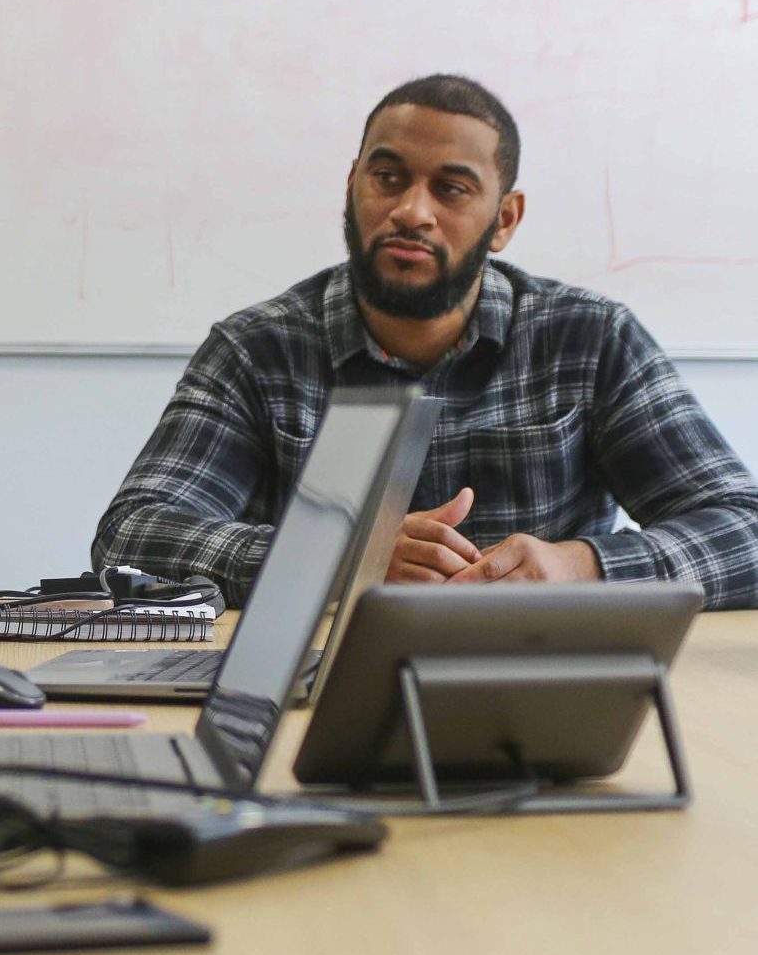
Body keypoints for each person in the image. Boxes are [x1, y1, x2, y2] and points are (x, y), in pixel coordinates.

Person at [93, 73, 758, 610]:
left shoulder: (587, 338)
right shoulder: (257, 348)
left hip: (538, 675)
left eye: (450, 188)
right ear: (351, 185)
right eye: (387, 178)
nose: (411, 210)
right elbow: (133, 533)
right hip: (320, 688)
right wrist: (344, 556)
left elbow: (745, 530)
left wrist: (580, 565)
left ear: (503, 219)